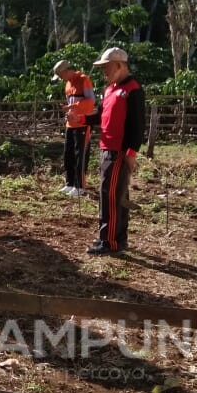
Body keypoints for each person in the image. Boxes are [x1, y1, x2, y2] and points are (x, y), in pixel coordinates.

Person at [73, 47, 145, 256]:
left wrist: (131, 152)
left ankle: (110, 241)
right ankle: (114, 237)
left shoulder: (133, 89)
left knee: (110, 196)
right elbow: (101, 115)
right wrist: (82, 119)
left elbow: (137, 125)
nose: (104, 71)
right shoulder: (109, 89)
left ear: (120, 65)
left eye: (107, 67)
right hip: (107, 147)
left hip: (119, 150)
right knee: (116, 195)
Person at [52, 59, 95, 196]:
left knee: (80, 154)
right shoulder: (67, 85)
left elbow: (90, 102)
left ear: (66, 71)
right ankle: (70, 183)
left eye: (60, 75)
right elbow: (69, 103)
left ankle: (80, 185)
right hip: (70, 123)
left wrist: (73, 107)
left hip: (82, 123)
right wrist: (68, 112)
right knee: (68, 154)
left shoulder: (84, 80)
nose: (60, 78)